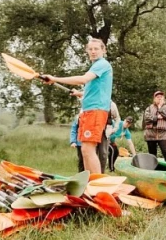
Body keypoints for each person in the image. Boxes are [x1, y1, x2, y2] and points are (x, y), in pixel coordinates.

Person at [42, 38, 113, 175]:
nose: (93, 51)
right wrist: (81, 93)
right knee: (85, 150)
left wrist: (55, 79)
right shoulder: (96, 66)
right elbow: (97, 88)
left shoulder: (102, 64)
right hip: (88, 111)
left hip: (95, 111)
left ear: (103, 50)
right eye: (90, 49)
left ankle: (98, 186)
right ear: (87, 51)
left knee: (88, 149)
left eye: (96, 49)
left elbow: (83, 79)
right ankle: (89, 183)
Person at [143, 91, 166, 162]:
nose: (159, 98)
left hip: (164, 134)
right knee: (152, 154)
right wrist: (157, 117)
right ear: (154, 99)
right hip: (150, 134)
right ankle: (153, 168)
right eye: (157, 97)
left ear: (163, 98)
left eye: (161, 97)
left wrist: (160, 107)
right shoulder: (149, 108)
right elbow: (146, 119)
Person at [98, 101, 121, 172]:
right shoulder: (93, 99)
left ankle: (101, 173)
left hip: (105, 132)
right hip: (93, 130)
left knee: (103, 154)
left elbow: (117, 118)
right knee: (92, 153)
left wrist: (115, 129)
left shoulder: (111, 104)